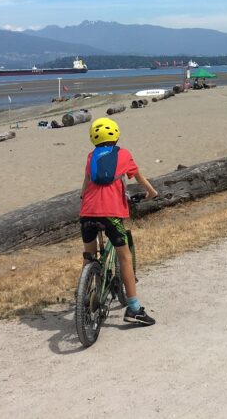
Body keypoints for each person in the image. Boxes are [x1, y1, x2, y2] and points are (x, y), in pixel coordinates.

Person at [79, 117, 158, 326]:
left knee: (89, 256)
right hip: (111, 215)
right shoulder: (123, 154)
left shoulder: (91, 157)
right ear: (116, 135)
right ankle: (134, 309)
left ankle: (84, 297)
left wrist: (82, 198)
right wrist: (151, 192)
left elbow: (86, 183)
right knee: (124, 257)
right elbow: (138, 178)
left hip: (87, 213)